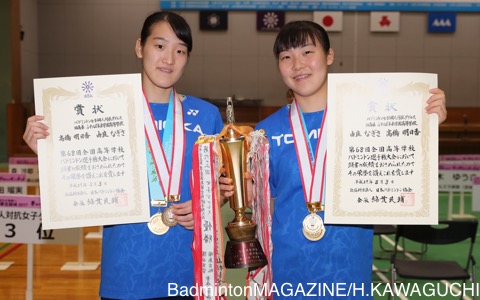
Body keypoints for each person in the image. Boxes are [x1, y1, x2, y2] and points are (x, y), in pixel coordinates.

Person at [22, 11, 225, 299]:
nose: (169, 58)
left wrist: (206, 205)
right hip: (126, 274)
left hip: (189, 271)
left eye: (180, 50)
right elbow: (82, 182)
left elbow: (221, 187)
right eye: (159, 46)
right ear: (139, 47)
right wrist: (49, 152)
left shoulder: (206, 116)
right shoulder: (105, 111)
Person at [251, 21, 447, 299]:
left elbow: (405, 172)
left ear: (329, 56)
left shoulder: (369, 118)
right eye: (286, 56)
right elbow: (262, 206)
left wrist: (427, 126)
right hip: (287, 275)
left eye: (307, 52)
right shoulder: (265, 133)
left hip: (348, 273)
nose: (297, 64)